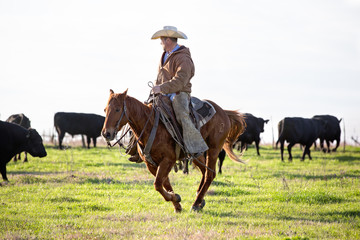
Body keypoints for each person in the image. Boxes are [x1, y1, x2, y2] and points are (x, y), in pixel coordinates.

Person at [127, 26, 208, 162]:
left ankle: (195, 148)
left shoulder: (183, 58)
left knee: (182, 115)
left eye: (162, 40)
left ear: (168, 40)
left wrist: (162, 88)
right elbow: (161, 76)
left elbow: (181, 80)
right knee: (141, 113)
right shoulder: (165, 54)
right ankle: (136, 149)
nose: (160, 43)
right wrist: (157, 86)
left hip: (179, 92)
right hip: (164, 92)